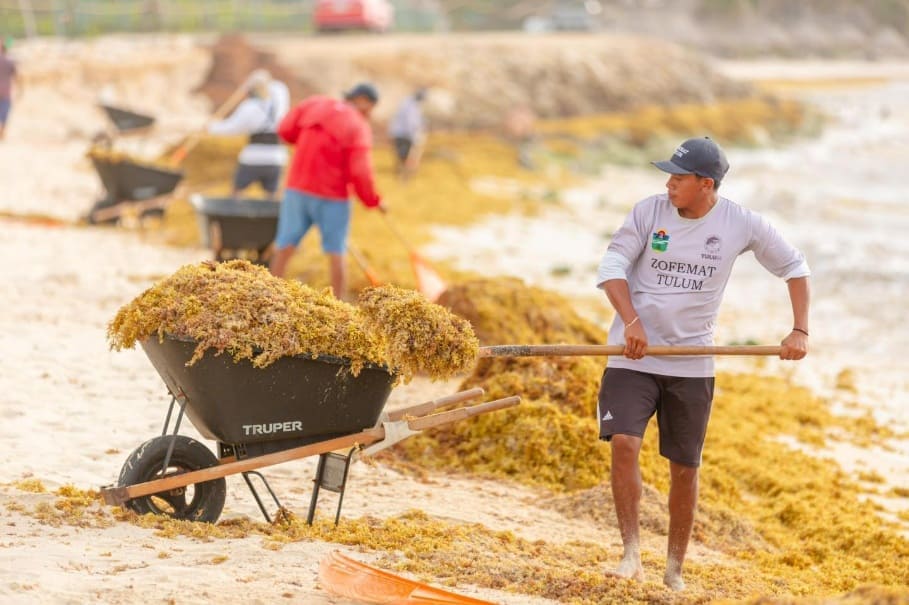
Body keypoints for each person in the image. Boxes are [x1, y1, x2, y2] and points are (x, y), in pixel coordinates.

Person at [595, 136, 810, 591]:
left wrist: (799, 330)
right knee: (625, 445)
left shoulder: (741, 223)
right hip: (631, 356)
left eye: (678, 177)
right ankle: (631, 554)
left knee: (685, 468)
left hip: (692, 363)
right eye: (668, 176)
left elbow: (795, 267)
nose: (669, 184)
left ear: (705, 184)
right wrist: (631, 321)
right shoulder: (648, 212)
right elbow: (611, 267)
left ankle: (674, 568)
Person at [269, 82, 386, 299]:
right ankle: (338, 303)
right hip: (332, 197)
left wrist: (307, 144)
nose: (370, 114)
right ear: (362, 101)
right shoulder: (357, 125)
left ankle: (268, 293)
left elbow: (285, 130)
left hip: (297, 188)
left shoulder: (315, 103)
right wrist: (373, 201)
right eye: (371, 108)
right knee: (336, 251)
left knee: (284, 245)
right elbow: (360, 171)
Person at [208, 69, 290, 200]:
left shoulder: (249, 107)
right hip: (276, 158)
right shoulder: (280, 101)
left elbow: (232, 128)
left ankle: (232, 215)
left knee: (236, 192)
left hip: (253, 157)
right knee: (272, 197)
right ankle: (269, 219)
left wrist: (211, 127)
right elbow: (279, 88)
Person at [388, 88, 426, 178]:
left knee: (404, 155)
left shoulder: (412, 104)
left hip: (402, 133)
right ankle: (404, 175)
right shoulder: (410, 105)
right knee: (405, 155)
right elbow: (411, 122)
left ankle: (404, 174)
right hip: (404, 134)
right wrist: (415, 136)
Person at [0, 37, 20, 141]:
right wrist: (21, 90)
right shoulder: (9, 62)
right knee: (4, 115)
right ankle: (2, 132)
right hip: (6, 92)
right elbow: (17, 77)